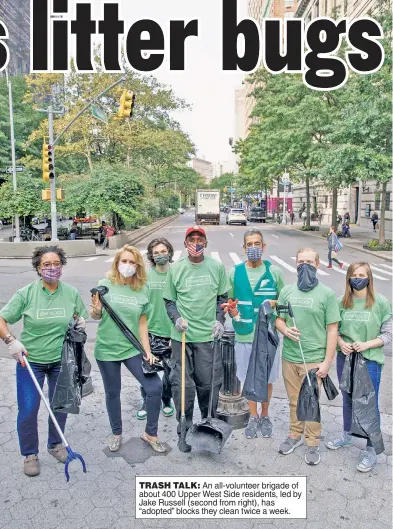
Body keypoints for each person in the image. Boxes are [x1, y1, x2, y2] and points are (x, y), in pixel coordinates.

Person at [0, 246, 87, 477]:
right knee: (28, 409)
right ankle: (29, 453)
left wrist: (80, 323)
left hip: (61, 362)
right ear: (38, 268)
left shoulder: (70, 293)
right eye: (46, 265)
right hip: (31, 361)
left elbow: (79, 316)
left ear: (62, 265)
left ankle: (55, 444)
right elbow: (2, 319)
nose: (52, 268)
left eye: (56, 263)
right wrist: (11, 341)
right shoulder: (26, 294)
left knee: (60, 406)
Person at [91, 245, 166, 453]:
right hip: (106, 350)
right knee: (113, 392)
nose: (127, 265)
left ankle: (150, 433)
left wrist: (147, 351)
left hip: (132, 349)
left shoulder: (142, 289)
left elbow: (143, 323)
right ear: (116, 263)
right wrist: (96, 310)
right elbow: (95, 315)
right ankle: (116, 433)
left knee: (154, 387)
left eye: (132, 262)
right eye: (124, 261)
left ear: (138, 266)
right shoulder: (104, 285)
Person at [163, 226, 229, 452]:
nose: (196, 242)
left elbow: (223, 298)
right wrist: (176, 319)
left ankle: (208, 427)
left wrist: (220, 320)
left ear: (206, 243)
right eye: (192, 239)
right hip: (182, 338)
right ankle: (184, 431)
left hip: (207, 337)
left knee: (208, 385)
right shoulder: (176, 269)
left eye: (200, 239)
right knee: (182, 387)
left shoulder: (217, 267)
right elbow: (169, 301)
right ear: (185, 243)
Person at [275, 248, 340, 466]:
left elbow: (333, 330)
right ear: (296, 264)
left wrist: (327, 362)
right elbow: (279, 319)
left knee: (311, 402)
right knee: (294, 401)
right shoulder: (287, 291)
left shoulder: (327, 294)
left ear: (318, 264)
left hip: (313, 359)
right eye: (301, 261)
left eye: (309, 261)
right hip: (290, 356)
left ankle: (312, 442)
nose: (305, 265)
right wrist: (285, 330)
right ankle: (294, 434)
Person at [326, 262, 392, 472]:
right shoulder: (340, 302)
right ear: (348, 278)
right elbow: (333, 330)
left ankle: (371, 450)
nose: (358, 278)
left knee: (368, 403)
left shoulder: (380, 303)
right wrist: (341, 343)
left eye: (362, 275)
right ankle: (347, 435)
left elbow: (388, 335)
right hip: (345, 359)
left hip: (369, 360)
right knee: (347, 399)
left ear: (369, 278)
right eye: (354, 275)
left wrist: (365, 344)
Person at [227, 229, 285, 439]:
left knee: (267, 378)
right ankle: (253, 416)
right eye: (249, 244)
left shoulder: (274, 272)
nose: (254, 248)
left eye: (257, 244)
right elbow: (230, 301)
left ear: (263, 246)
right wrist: (231, 310)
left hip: (267, 334)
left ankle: (265, 415)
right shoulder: (235, 272)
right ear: (244, 248)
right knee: (248, 377)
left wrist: (274, 303)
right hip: (243, 332)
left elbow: (284, 299)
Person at [136, 238, 175, 420]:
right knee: (148, 372)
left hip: (171, 333)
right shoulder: (146, 277)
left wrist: (176, 332)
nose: (160, 255)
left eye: (163, 251)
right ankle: (147, 401)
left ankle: (166, 400)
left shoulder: (176, 274)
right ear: (151, 256)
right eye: (156, 252)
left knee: (170, 373)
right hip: (150, 332)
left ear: (169, 252)